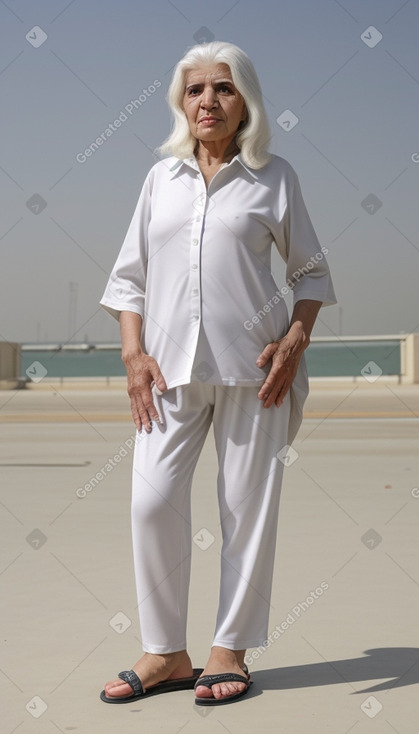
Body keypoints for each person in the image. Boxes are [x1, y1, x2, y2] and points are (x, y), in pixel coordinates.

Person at [99, 40, 336, 706]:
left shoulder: (274, 176)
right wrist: (133, 354)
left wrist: (295, 338)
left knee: (244, 511)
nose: (208, 101)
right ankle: (164, 653)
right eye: (196, 88)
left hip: (255, 371)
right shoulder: (159, 180)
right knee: (151, 504)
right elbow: (128, 278)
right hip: (167, 374)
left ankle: (227, 649)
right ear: (181, 100)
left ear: (246, 101)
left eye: (223, 89)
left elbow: (309, 272)